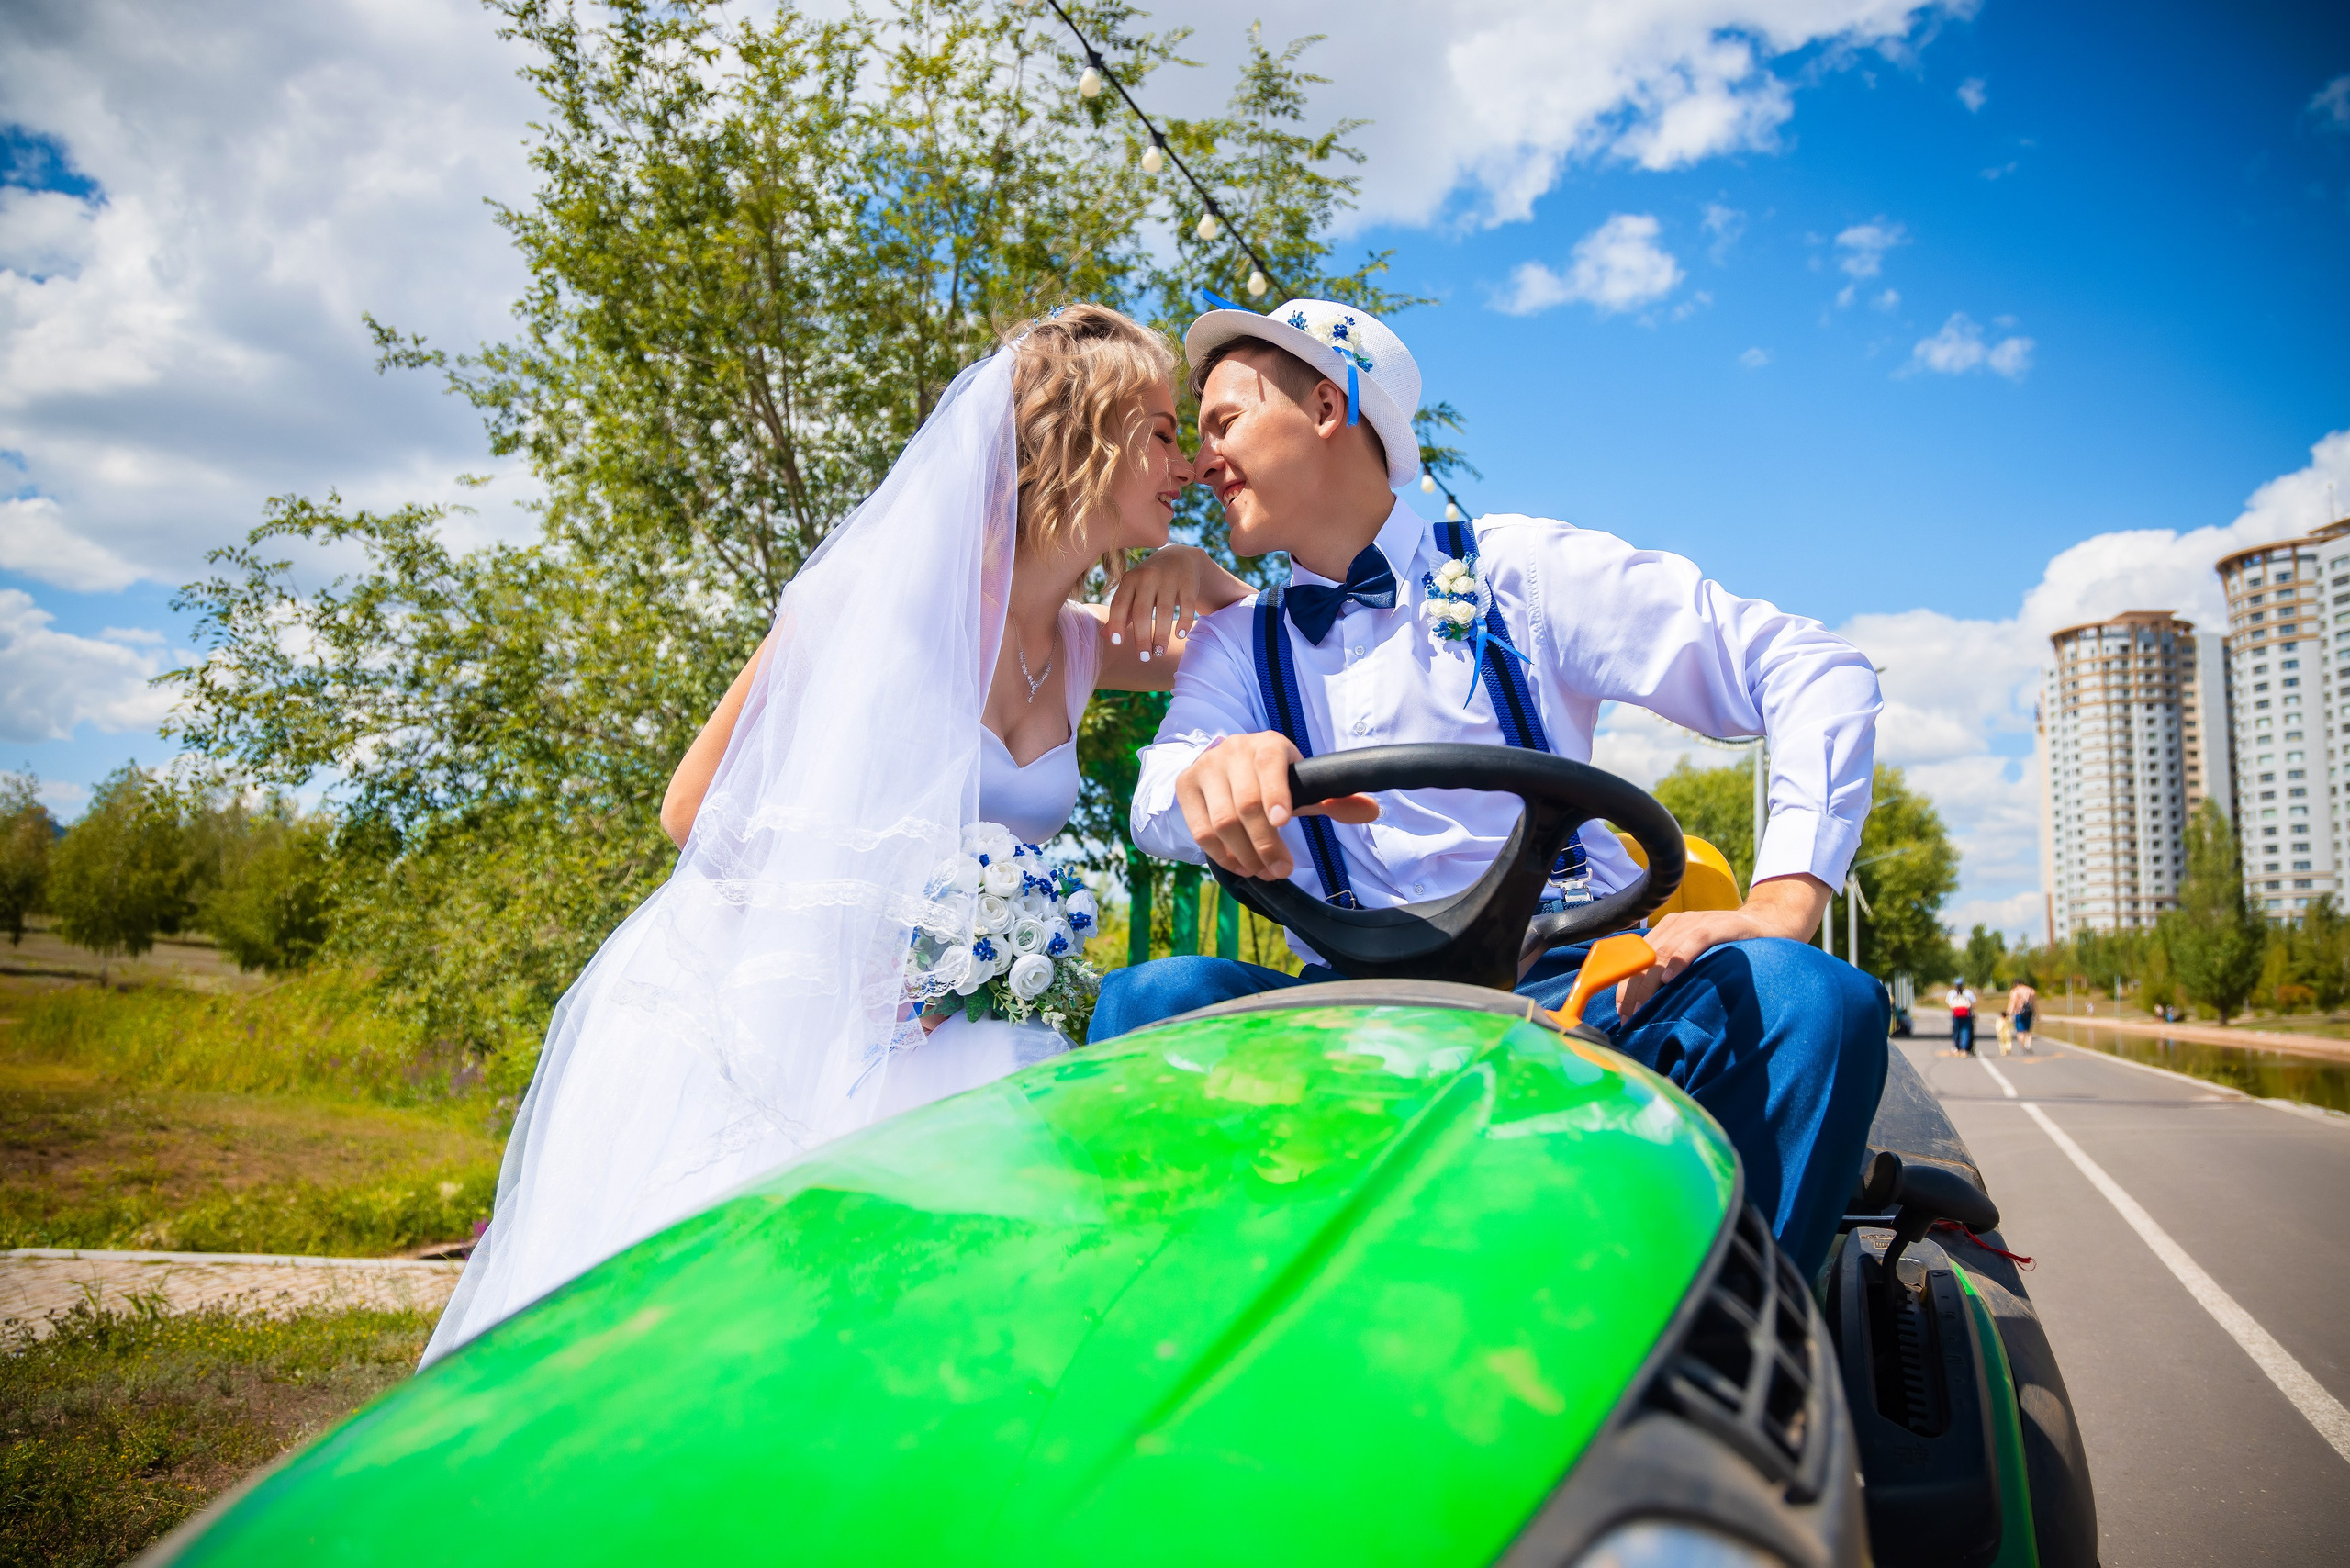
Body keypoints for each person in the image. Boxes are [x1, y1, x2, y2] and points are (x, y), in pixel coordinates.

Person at [423, 305, 1251, 1364]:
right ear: (1073, 437)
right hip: (801, 1020)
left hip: (978, 1032)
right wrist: (878, 952)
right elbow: (692, 807)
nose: (1185, 462)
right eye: (1161, 431)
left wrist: (1200, 569)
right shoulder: (879, 602)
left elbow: (1247, 643)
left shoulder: (1085, 647)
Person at [1091, 297, 1888, 1278]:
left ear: (1330, 406)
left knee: (1812, 997)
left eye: (1223, 423)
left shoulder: (1527, 571)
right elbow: (1156, 796)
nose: (1202, 460)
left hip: (1574, 987)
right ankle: (1184, 1343)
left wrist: (1784, 900)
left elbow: (1814, 666)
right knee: (1154, 998)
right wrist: (1206, 778)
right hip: (1340, 1005)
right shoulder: (1234, 640)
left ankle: (1727, 1364)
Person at [1946, 980, 1976, 1056]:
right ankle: (1964, 1049)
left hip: (1956, 1015)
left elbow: (1950, 1005)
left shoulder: (1952, 993)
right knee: (1966, 1031)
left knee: (1956, 1031)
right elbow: (1974, 1003)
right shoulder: (1968, 993)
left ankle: (1957, 1047)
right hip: (1966, 1015)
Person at [2009, 979, 2039, 1054]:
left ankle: (2023, 1048)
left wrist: (2009, 1013)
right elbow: (2034, 1004)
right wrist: (2037, 1014)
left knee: (2020, 1031)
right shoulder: (2031, 991)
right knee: (2028, 1031)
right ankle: (2028, 1045)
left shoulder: (2015, 991)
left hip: (2019, 1012)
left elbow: (2013, 1003)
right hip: (2029, 1012)